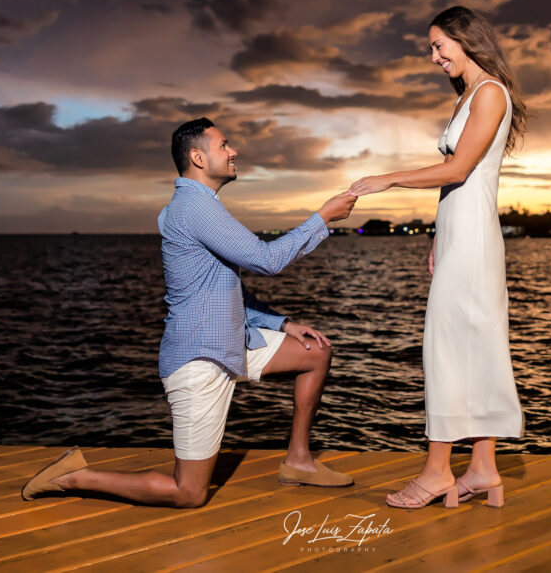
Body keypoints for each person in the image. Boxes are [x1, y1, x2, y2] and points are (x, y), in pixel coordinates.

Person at [22, 117, 358, 507]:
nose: (233, 152)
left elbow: (225, 289)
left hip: (231, 340)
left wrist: (282, 324)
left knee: (315, 352)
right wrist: (322, 218)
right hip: (200, 358)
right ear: (198, 157)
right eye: (224, 145)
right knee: (189, 493)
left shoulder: (199, 207)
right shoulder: (194, 208)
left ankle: (299, 461)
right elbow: (266, 260)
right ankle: (73, 478)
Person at [348, 6, 528, 509]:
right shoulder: (469, 97)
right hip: (460, 237)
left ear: (464, 38)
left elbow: (460, 168)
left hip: (473, 242)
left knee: (446, 350)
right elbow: (462, 184)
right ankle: (484, 469)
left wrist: (388, 178)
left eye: (437, 46)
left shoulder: (490, 93)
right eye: (431, 48)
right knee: (475, 349)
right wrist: (438, 236)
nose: (433, 57)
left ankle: (436, 473)